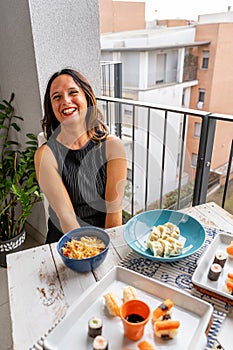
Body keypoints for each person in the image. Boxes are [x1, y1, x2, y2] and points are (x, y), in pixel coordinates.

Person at [34, 68, 127, 243]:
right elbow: (67, 219)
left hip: (110, 232)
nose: (66, 101)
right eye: (57, 97)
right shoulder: (45, 156)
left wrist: (108, 250)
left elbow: (114, 213)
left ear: (86, 97)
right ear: (52, 107)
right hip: (68, 240)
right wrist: (89, 254)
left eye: (73, 92)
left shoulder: (113, 147)